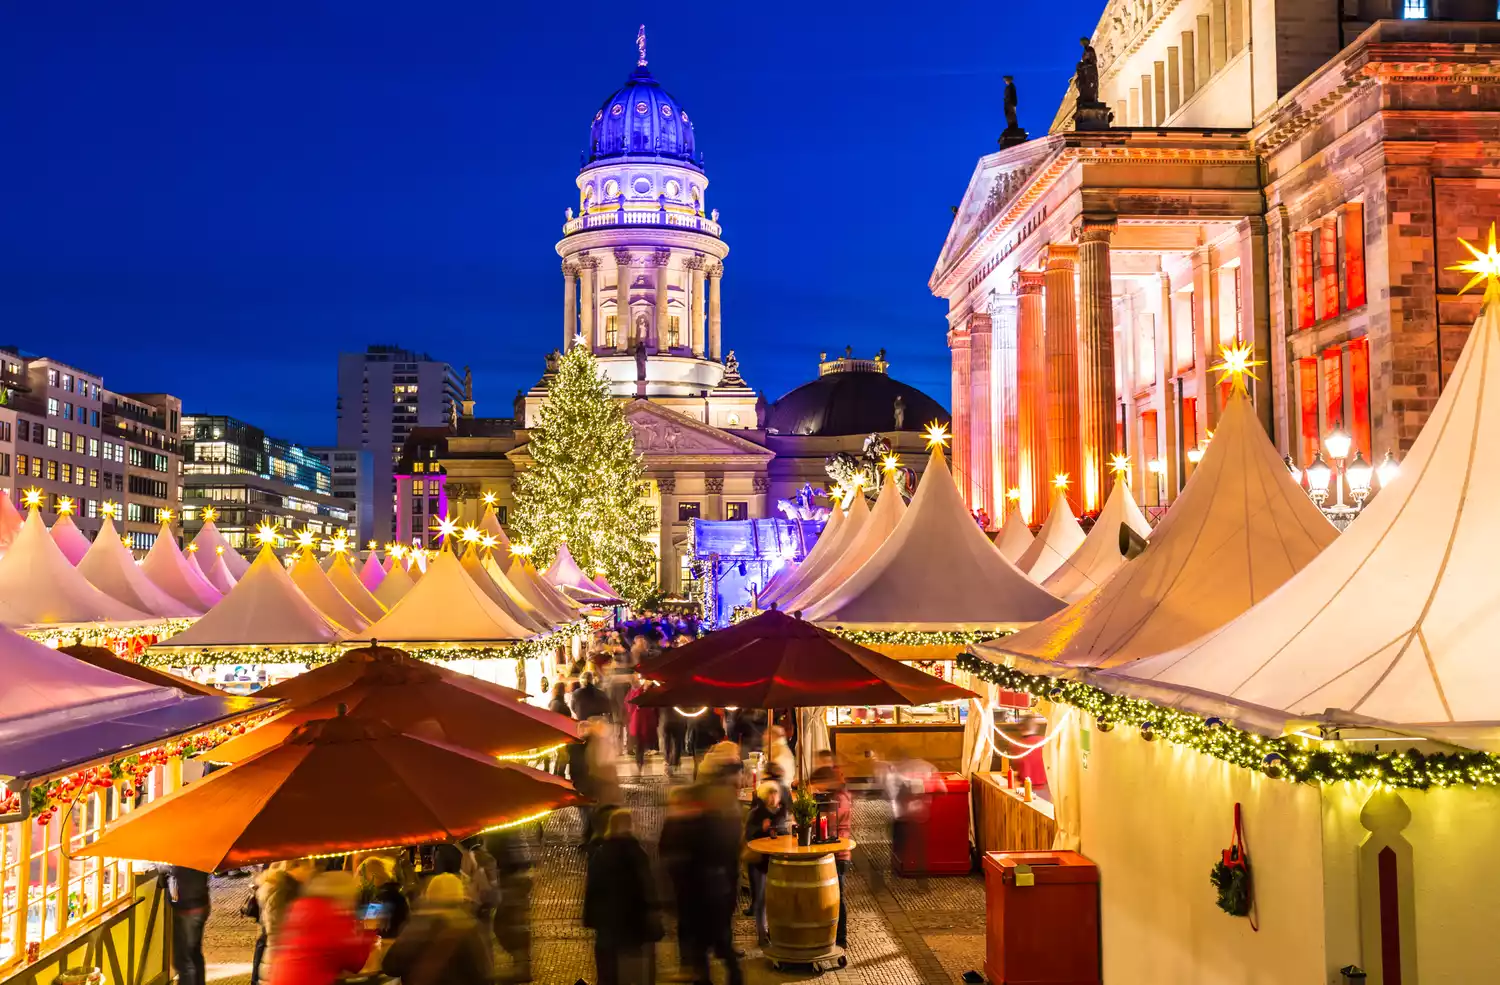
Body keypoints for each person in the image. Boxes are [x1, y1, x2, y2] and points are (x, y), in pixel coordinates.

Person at [583, 810, 662, 985]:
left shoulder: (601, 853)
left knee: (607, 969)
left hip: (607, 921)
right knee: (632, 968)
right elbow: (647, 886)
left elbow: (593, 888)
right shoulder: (638, 853)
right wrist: (653, 913)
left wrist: (590, 918)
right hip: (632, 921)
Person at [381, 873, 493, 985]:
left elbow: (390, 967)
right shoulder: (470, 927)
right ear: (460, 896)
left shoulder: (415, 925)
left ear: (428, 894)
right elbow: (483, 974)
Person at [268, 871, 372, 985]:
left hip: (280, 977)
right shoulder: (335, 916)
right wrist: (369, 931)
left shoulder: (299, 906)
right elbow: (355, 963)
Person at [811, 764, 854, 950]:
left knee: (837, 897)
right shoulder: (831, 797)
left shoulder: (841, 799)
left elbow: (829, 821)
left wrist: (812, 818)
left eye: (819, 783)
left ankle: (841, 938)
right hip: (830, 852)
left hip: (839, 854)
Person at [252, 859, 314, 985]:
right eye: (307, 867)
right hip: (281, 964)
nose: (310, 872)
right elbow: (287, 930)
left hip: (276, 962)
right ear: (294, 867)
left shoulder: (279, 887)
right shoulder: (284, 892)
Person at [744, 781, 790, 947]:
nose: (772, 797)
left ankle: (775, 931)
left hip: (776, 861)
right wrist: (761, 830)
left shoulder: (783, 812)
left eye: (775, 794)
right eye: (769, 794)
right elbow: (749, 836)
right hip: (758, 862)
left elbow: (786, 834)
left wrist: (777, 831)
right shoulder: (756, 813)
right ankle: (762, 935)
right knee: (760, 899)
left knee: (777, 899)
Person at [488, 830, 535, 984]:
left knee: (511, 925)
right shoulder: (511, 830)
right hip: (513, 878)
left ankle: (522, 967)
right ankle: (522, 965)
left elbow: (500, 853)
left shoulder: (502, 831)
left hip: (511, 879)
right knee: (513, 925)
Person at [167, 865, 211, 985]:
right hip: (198, 903)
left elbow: (169, 868)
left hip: (188, 907)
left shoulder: (185, 853)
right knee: (194, 954)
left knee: (184, 960)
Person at [355, 855, 410, 942]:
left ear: (370, 876)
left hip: (386, 945)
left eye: (363, 877)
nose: (362, 883)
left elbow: (369, 925)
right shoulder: (397, 893)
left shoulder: (379, 897)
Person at [624, 677, 658, 772]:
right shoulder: (642, 693)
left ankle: (640, 761)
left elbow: (628, 706)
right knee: (641, 743)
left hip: (641, 722)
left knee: (641, 743)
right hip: (642, 722)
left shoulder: (635, 693)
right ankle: (640, 761)